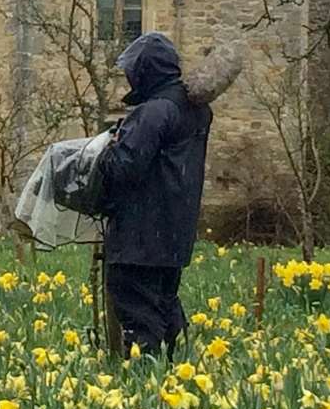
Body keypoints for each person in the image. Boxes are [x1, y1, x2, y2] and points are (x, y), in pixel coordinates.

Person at [97, 31, 233, 357]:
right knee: (164, 305)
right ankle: (177, 374)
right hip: (171, 233)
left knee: (139, 314)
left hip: (140, 234)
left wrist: (103, 151)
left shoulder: (156, 111)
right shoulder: (194, 109)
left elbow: (123, 166)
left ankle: (146, 383)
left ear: (146, 71)